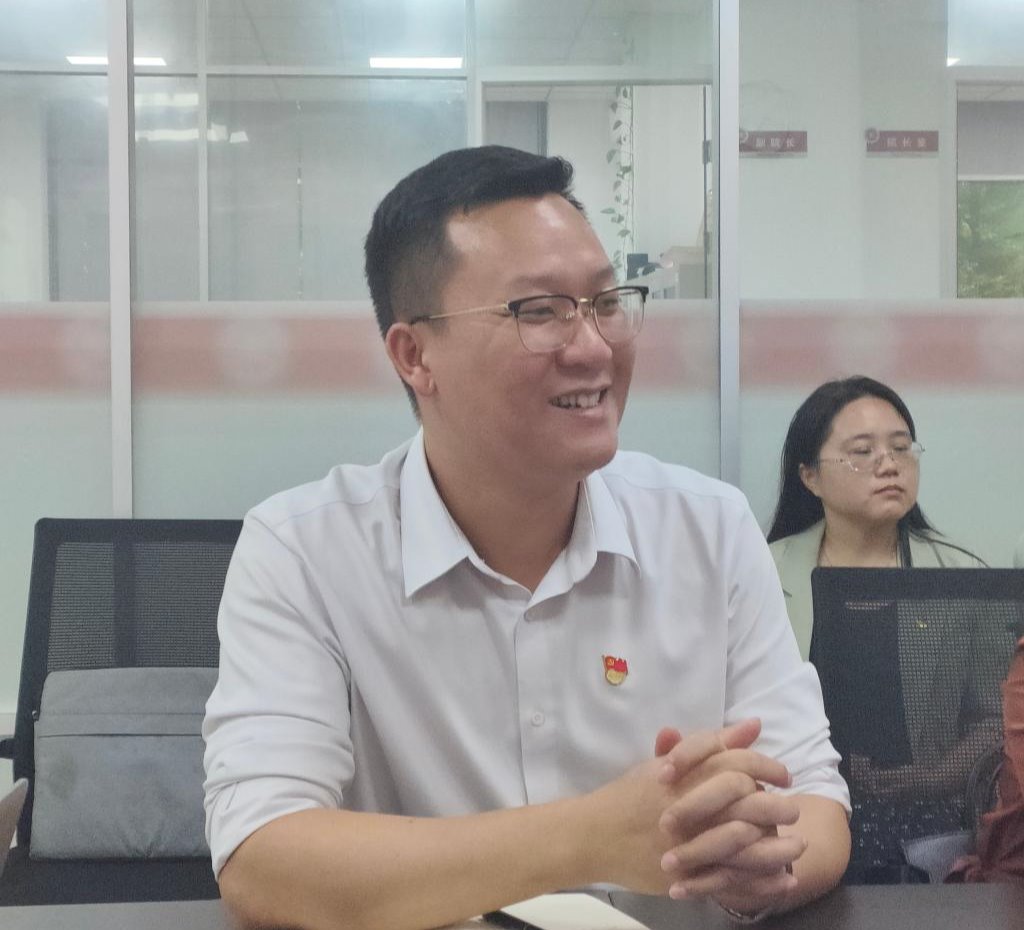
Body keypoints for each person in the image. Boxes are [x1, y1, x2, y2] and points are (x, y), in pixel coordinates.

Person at [203, 145, 850, 930]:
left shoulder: (707, 527)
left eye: (606, 302)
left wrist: (758, 862)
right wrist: (594, 837)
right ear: (415, 355)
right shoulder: (302, 551)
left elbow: (815, 805)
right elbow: (265, 858)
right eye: (538, 312)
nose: (594, 347)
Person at [766, 376, 985, 660]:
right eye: (863, 451)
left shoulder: (963, 573)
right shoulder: (765, 571)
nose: (890, 465)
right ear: (811, 477)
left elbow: (991, 686)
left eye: (901, 448)